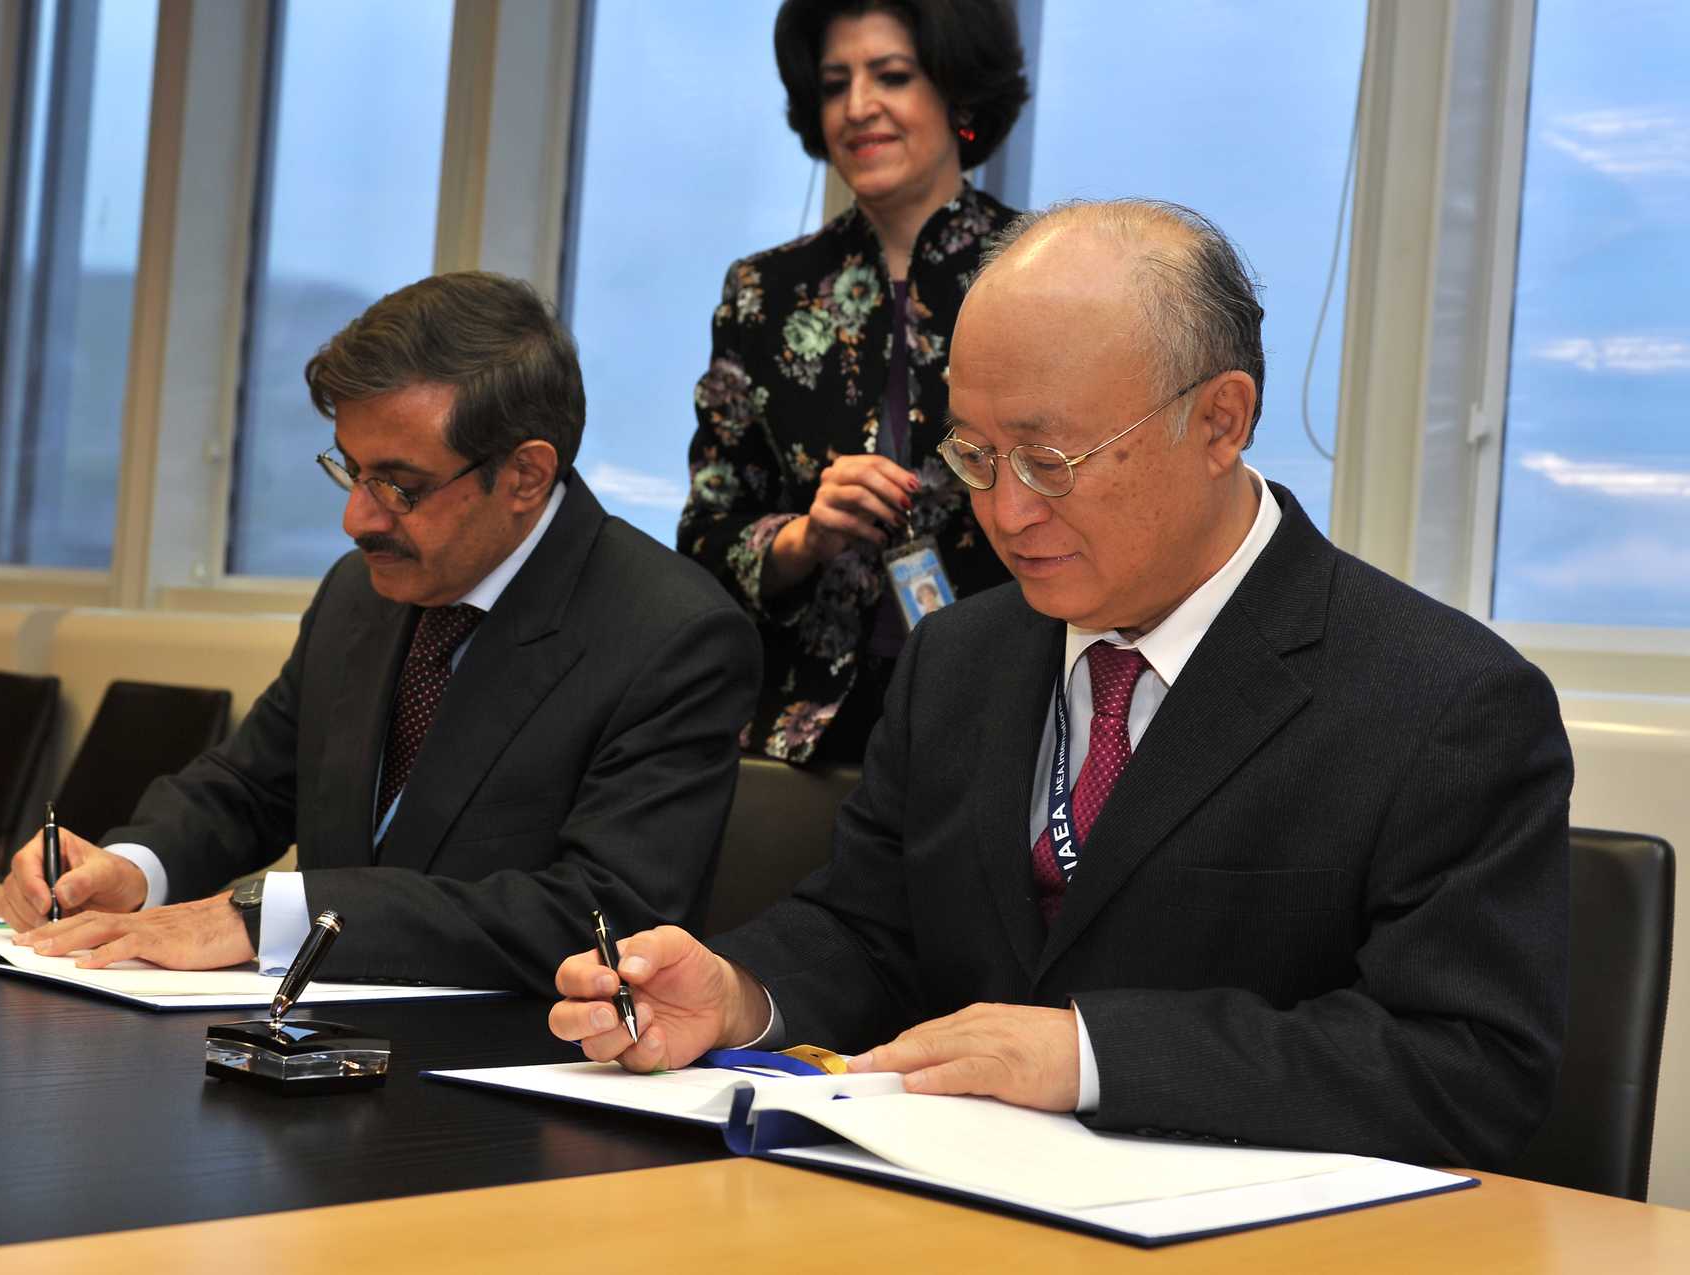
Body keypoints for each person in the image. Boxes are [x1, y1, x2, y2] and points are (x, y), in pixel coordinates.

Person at [552, 200, 1572, 1168]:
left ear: (1221, 423)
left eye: (1047, 459)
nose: (1004, 512)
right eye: (975, 455)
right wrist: (739, 993)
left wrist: (1087, 1057)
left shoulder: (1441, 703)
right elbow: (873, 929)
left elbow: (1467, 1069)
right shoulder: (960, 660)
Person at [0, 272, 761, 996]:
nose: (356, 519)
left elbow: (598, 914)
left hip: (500, 1087)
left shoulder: (673, 636)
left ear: (525, 476)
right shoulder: (360, 592)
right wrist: (133, 868)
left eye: (400, 486)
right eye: (350, 471)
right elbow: (253, 783)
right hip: (305, 1049)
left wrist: (264, 917)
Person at [679, 0, 1028, 764]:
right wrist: (804, 537)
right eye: (835, 84)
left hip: (1009, 721)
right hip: (804, 728)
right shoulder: (762, 292)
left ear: (958, 95)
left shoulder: (1044, 275)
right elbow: (704, 533)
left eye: (892, 76)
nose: (859, 107)